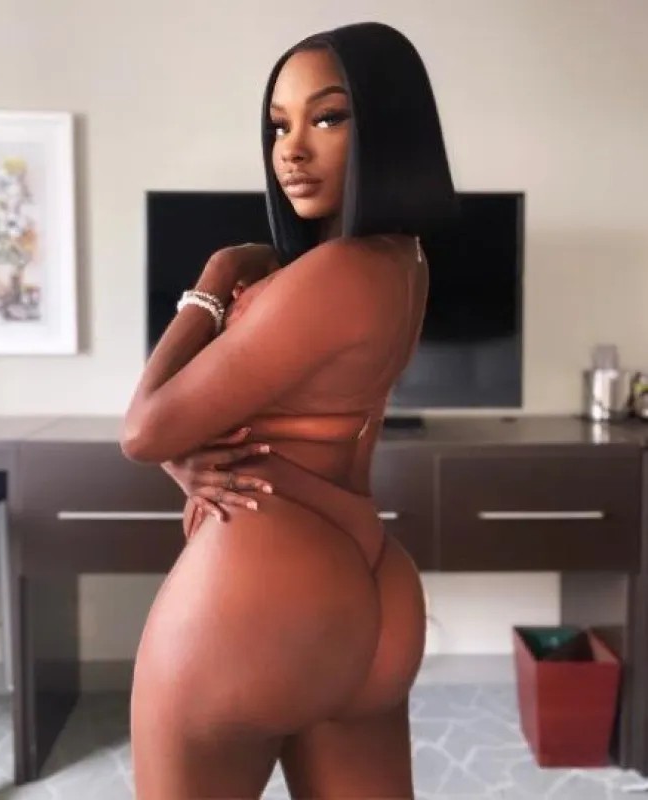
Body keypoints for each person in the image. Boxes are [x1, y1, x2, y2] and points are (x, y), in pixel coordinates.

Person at [121, 20, 455, 799]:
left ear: (388, 127)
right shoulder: (403, 261)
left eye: (327, 118)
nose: (291, 150)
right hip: (373, 585)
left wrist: (213, 280)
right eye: (279, 126)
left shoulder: (333, 272)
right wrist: (181, 455)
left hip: (263, 587)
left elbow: (143, 428)